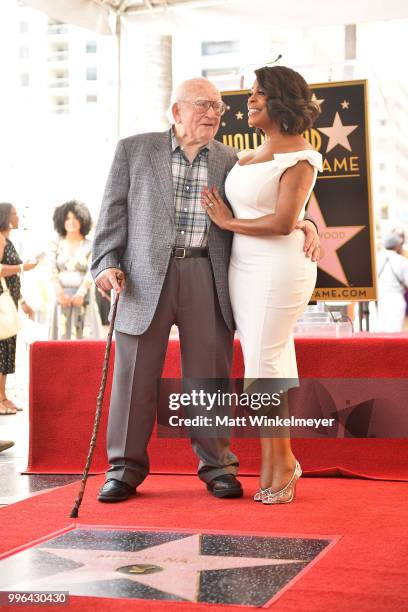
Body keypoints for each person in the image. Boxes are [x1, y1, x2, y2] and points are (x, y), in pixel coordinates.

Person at [91, 77, 320, 503]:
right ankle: (123, 468)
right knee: (134, 377)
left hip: (210, 274)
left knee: (209, 376)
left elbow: (273, 202)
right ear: (176, 111)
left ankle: (217, 466)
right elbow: (110, 217)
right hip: (142, 278)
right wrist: (106, 265)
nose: (214, 113)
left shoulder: (234, 160)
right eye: (202, 105)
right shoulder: (133, 150)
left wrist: (306, 224)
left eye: (218, 106)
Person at [201, 66, 322, 505]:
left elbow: (284, 220)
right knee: (267, 362)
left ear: (282, 102)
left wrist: (228, 222)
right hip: (243, 268)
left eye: (258, 94)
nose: (249, 100)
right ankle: (276, 462)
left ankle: (283, 462)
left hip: (278, 268)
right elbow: (288, 213)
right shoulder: (245, 153)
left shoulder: (301, 156)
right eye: (251, 93)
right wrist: (307, 221)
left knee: (264, 366)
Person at [0, 203, 37, 415]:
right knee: (1, 351)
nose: (18, 217)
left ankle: (3, 396)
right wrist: (24, 267)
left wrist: (22, 301)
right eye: (14, 213)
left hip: (11, 302)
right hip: (3, 304)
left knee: (6, 352)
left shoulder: (8, 240)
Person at [49, 200, 102, 340]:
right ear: (61, 221)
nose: (71, 221)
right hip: (61, 299)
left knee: (84, 343)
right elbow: (51, 270)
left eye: (75, 217)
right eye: (67, 218)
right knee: (60, 342)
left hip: (84, 300)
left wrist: (81, 293)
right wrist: (59, 293)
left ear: (82, 220)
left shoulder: (91, 245)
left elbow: (92, 271)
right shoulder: (55, 244)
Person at [376, 232, 408, 332]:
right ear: (398, 245)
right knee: (395, 330)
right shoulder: (402, 261)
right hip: (396, 298)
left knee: (380, 329)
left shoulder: (375, 259)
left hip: (378, 298)